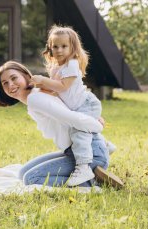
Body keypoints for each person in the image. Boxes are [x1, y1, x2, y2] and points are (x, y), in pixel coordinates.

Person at [0, 60, 123, 188]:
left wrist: (96, 126)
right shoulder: (38, 94)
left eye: (14, 78)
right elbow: (69, 106)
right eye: (5, 83)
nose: (10, 85)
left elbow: (72, 118)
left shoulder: (35, 98)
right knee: (22, 173)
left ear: (26, 76)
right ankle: (96, 163)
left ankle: (95, 182)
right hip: (74, 151)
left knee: (31, 178)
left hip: (88, 155)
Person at [30, 25, 111, 186]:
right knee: (80, 129)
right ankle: (105, 146)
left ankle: (83, 167)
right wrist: (39, 88)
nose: (59, 50)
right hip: (78, 106)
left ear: (72, 48)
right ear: (50, 48)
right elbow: (55, 90)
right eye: (55, 46)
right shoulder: (55, 68)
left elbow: (62, 87)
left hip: (86, 104)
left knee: (78, 133)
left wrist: (43, 80)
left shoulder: (72, 64)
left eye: (64, 46)